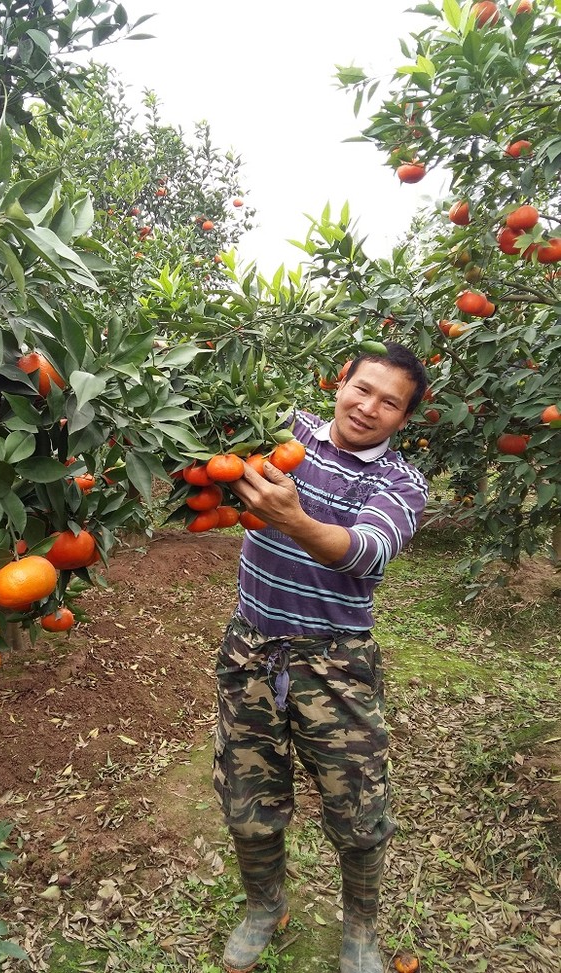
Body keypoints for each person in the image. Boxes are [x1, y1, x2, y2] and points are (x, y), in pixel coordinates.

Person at [215, 341, 429, 973]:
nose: (369, 408)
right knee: (247, 806)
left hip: (336, 662)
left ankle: (361, 929)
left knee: (359, 813)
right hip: (250, 648)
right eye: (363, 389)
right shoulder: (285, 432)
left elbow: (366, 551)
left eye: (390, 404)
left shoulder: (400, 482)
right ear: (342, 382)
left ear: (403, 419)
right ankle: (264, 907)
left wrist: (293, 519)